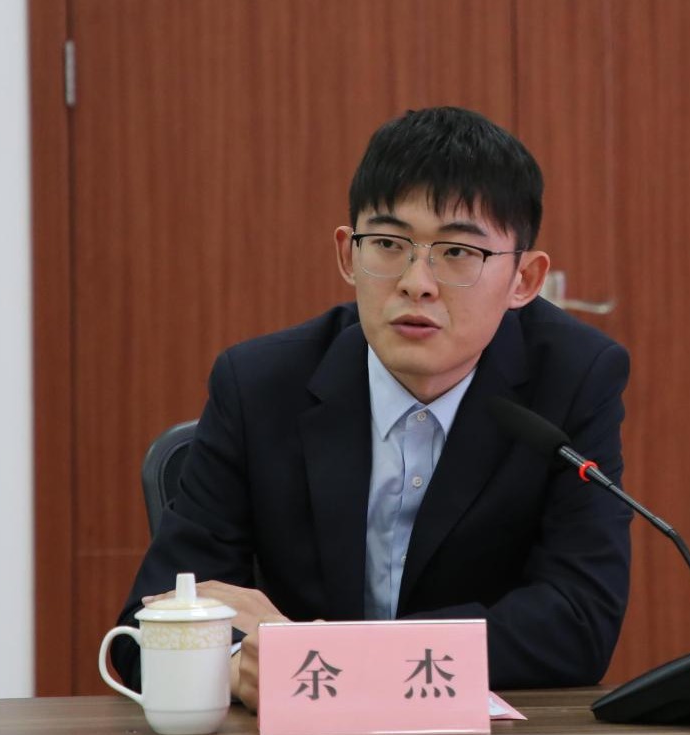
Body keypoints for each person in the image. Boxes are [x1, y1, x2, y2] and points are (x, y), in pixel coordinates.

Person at [112, 106, 632, 710]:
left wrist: (327, 656)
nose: (417, 282)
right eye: (388, 244)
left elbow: (579, 622)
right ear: (347, 253)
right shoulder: (258, 386)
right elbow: (147, 631)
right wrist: (230, 661)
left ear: (525, 279)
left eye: (457, 252)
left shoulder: (573, 379)